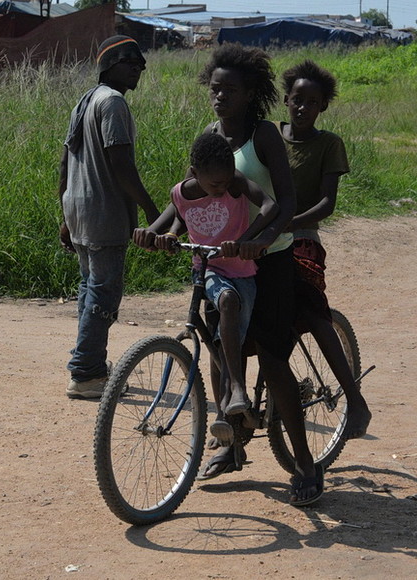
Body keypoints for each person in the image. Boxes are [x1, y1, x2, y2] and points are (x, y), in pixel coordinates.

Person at [193, 43, 323, 506]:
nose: (220, 96)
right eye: (215, 88)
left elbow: (285, 203)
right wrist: (160, 231)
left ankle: (306, 464)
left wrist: (261, 239)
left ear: (251, 94)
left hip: (269, 259)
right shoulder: (210, 135)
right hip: (225, 260)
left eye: (230, 90)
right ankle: (232, 446)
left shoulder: (265, 135)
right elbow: (191, 196)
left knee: (271, 357)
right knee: (217, 351)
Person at [133, 133, 278, 445]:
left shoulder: (234, 182)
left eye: (225, 183)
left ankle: (235, 393)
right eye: (214, 185)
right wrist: (163, 235)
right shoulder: (181, 193)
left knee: (226, 339)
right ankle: (229, 405)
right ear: (194, 173)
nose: (221, 189)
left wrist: (245, 241)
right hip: (208, 270)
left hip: (242, 271)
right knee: (223, 313)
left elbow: (269, 206)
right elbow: (178, 219)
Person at [59, 35, 161, 399]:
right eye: (130, 60)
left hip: (80, 210)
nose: (139, 66)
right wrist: (151, 211)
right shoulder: (113, 102)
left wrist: (65, 213)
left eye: (141, 62)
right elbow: (121, 163)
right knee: (103, 296)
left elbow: (65, 161)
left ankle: (90, 364)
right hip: (104, 213)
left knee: (90, 290)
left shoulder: (85, 101)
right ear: (109, 64)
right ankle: (86, 373)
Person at [278, 59, 372, 440]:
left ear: (323, 107)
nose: (303, 108)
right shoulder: (268, 137)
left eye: (312, 102)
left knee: (313, 311)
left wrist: (289, 223)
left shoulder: (328, 144)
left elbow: (327, 203)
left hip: (301, 237)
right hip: (260, 236)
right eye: (297, 99)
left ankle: (355, 400)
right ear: (285, 99)